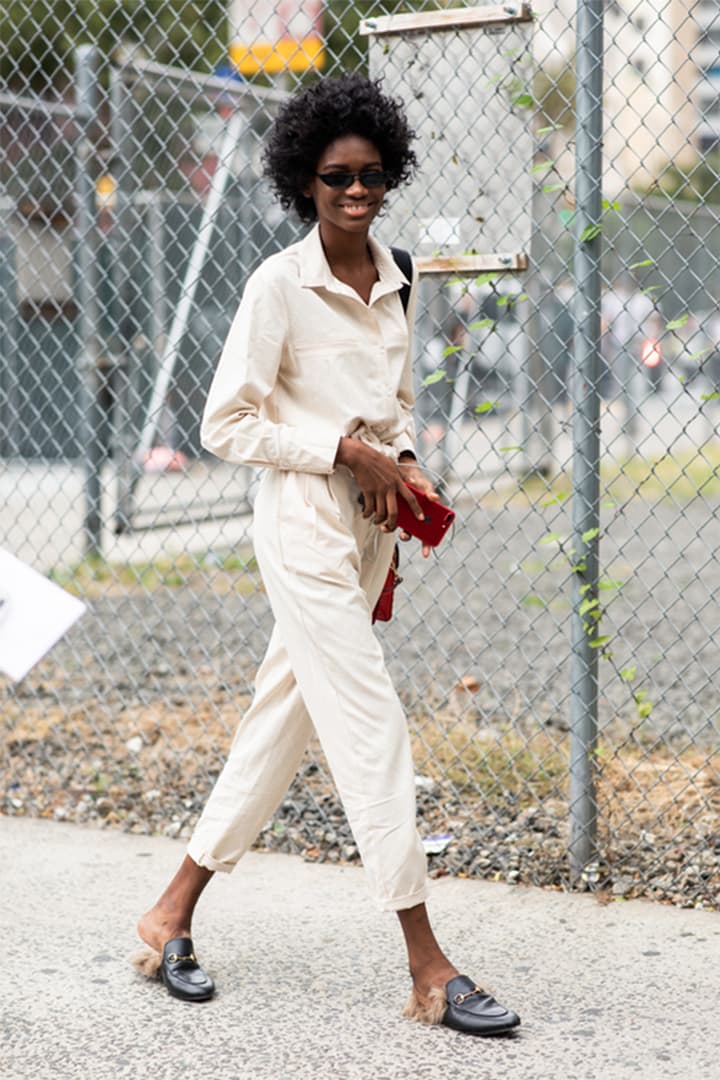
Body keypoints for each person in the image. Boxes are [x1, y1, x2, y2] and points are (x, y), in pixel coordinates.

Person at [132, 73, 520, 1038]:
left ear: (391, 177)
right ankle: (429, 966)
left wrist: (405, 466)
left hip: (369, 528)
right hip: (302, 519)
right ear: (304, 180)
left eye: (374, 174)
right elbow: (227, 421)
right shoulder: (279, 284)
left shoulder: (399, 278)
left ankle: (168, 911)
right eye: (338, 176)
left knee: (278, 727)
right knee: (368, 721)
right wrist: (340, 451)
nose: (357, 191)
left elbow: (392, 408)